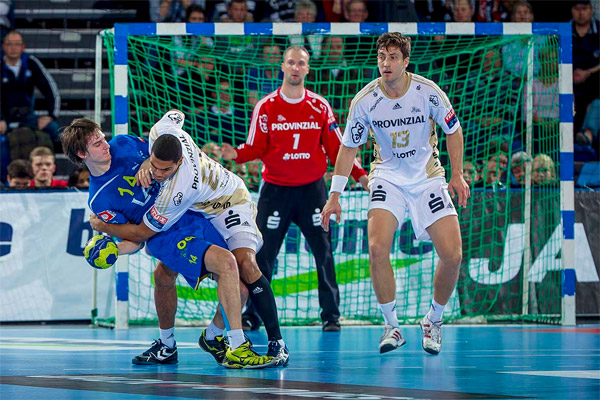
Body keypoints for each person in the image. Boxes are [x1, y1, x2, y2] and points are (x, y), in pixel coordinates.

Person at [62, 118, 275, 369]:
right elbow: (135, 241)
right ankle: (238, 348)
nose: (106, 144)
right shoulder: (100, 200)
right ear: (82, 154)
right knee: (226, 262)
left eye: (103, 138)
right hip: (163, 236)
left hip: (191, 214)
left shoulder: (123, 143)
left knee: (237, 289)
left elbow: (161, 150)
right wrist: (113, 249)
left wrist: (146, 163)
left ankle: (192, 340)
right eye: (97, 144)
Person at [321, 32, 470, 355]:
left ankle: (433, 319)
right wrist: (335, 195)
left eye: (392, 57)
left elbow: (453, 130)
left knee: (453, 255)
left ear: (405, 61)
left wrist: (457, 174)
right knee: (377, 248)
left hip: (427, 178)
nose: (385, 63)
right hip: (387, 178)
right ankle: (392, 326)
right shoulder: (365, 100)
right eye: (381, 57)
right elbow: (348, 148)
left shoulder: (428, 92)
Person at [222, 45, 368, 332]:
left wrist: (361, 176)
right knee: (261, 256)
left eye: (301, 63)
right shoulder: (266, 106)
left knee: (324, 253)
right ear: (283, 66)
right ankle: (253, 315)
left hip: (312, 191)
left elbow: (338, 149)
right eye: (291, 62)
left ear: (308, 69)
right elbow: (255, 147)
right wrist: (235, 155)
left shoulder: (320, 106)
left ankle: (331, 316)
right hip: (275, 191)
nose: (296, 68)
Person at [1, 31, 61, 148]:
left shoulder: (31, 63)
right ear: (3, 46)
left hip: (27, 116)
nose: (13, 48)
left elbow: (51, 90)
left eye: (17, 44)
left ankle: (46, 158)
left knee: (53, 128)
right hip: (5, 116)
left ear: (23, 47)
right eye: (9, 44)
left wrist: (51, 116)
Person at [571, 0, 600, 133]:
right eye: (577, 9)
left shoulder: (598, 29)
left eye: (584, 9)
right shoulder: (564, 30)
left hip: (594, 80)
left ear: (591, 10)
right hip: (568, 80)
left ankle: (587, 133)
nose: (581, 13)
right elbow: (551, 57)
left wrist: (588, 72)